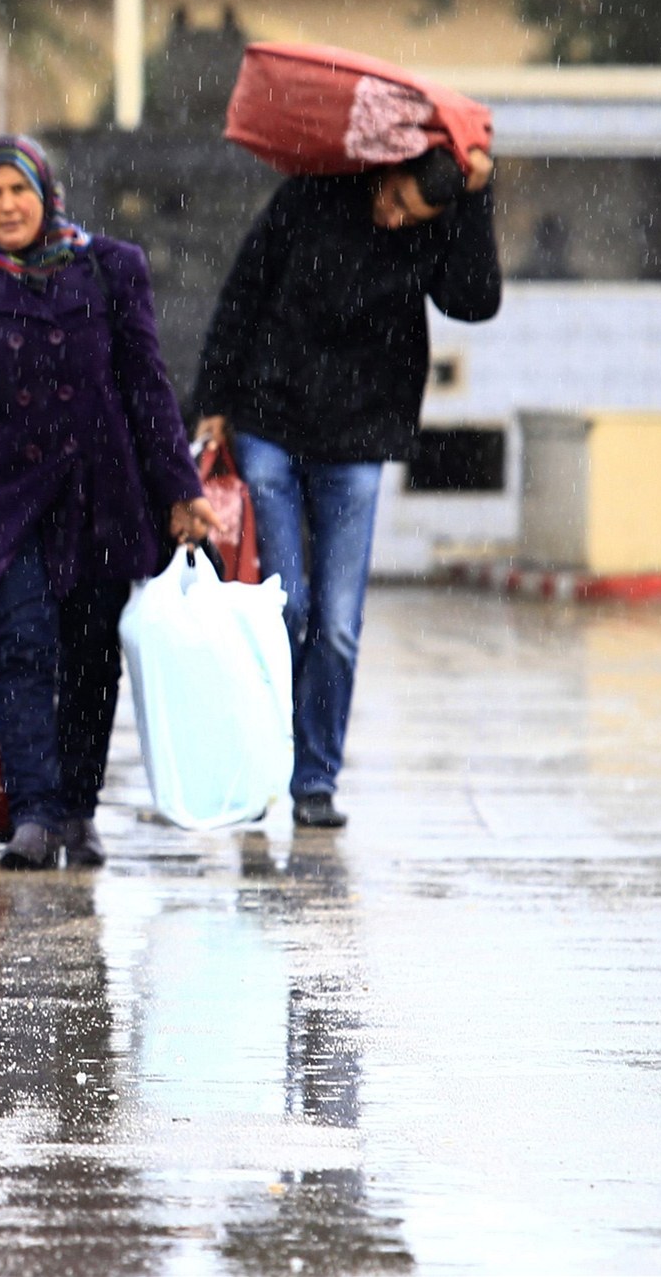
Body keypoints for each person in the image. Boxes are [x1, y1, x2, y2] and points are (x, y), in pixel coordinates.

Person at [0, 135, 217, 871]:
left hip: (100, 493)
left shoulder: (111, 269)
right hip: (6, 500)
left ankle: (78, 811)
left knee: (90, 658)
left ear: (47, 195)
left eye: (20, 190)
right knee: (21, 647)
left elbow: (147, 385)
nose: (7, 205)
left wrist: (181, 491)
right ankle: (33, 815)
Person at [192, 145, 500, 830]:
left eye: (413, 215)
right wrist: (212, 396)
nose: (395, 219)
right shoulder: (312, 194)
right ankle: (258, 765)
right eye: (394, 200)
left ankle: (314, 780)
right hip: (270, 419)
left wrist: (477, 200)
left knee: (336, 623)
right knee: (282, 607)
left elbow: (476, 301)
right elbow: (244, 289)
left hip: (360, 437)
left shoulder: (433, 229)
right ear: (386, 170)